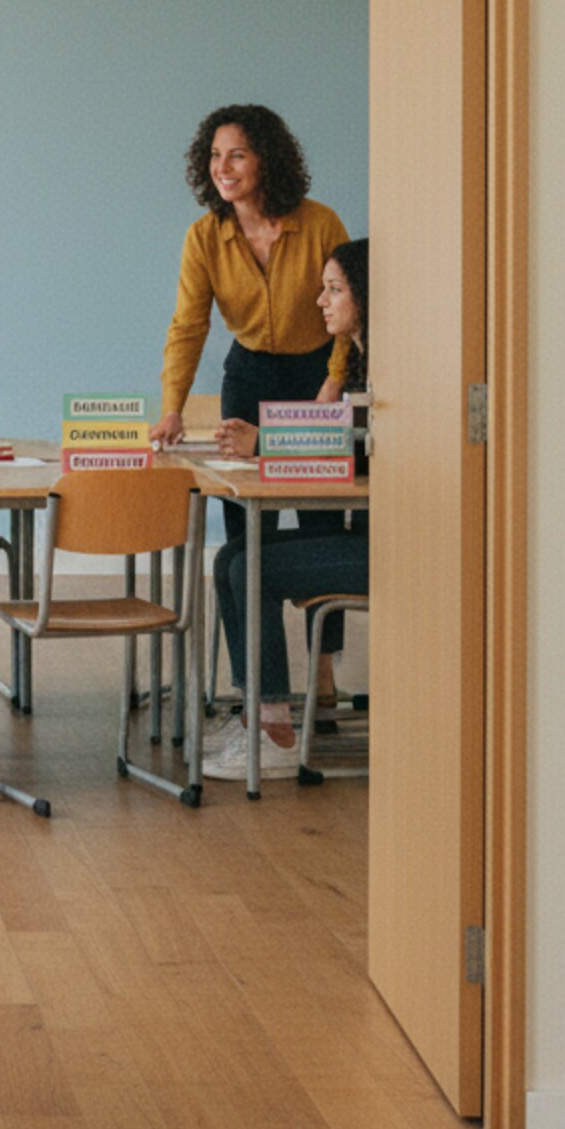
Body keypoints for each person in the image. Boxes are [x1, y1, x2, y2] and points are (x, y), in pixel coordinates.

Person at [149, 104, 353, 703]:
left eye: (236, 153)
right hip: (248, 379)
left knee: (322, 527)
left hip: (317, 374)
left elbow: (349, 312)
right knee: (245, 537)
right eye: (215, 155)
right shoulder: (205, 236)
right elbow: (188, 326)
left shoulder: (319, 224)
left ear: (266, 158)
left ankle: (322, 677)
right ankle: (255, 685)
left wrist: (334, 383)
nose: (223, 166)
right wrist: (173, 408)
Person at [203, 239, 371, 780]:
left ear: (365, 297)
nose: (320, 301)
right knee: (231, 556)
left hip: (391, 543)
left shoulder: (387, 371)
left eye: (334, 290)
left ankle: (273, 733)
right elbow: (332, 438)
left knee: (252, 567)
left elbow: (351, 448)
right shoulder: (351, 365)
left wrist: (265, 442)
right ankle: (262, 713)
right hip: (363, 534)